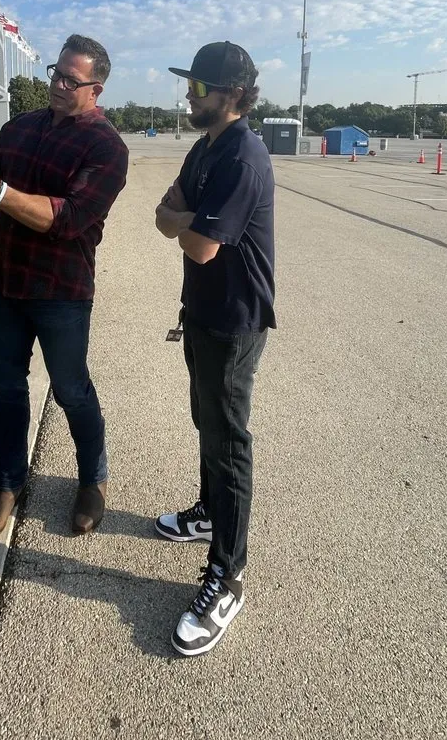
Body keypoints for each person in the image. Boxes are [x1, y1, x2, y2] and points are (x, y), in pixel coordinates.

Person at [0, 34, 128, 542]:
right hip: (2, 279)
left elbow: (67, 219)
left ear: (96, 90)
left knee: (72, 390)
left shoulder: (106, 147)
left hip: (60, 291)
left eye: (71, 80)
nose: (58, 85)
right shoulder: (22, 126)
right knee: (6, 390)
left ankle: (93, 479)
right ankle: (8, 483)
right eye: (56, 73)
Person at [154, 41, 275, 657]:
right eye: (190, 84)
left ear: (232, 95)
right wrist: (190, 220)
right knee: (205, 419)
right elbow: (163, 215)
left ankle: (228, 577)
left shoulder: (244, 157)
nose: (189, 94)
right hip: (200, 311)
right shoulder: (205, 148)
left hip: (233, 321)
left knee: (227, 442)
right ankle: (207, 514)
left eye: (199, 87)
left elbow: (200, 246)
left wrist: (189, 222)